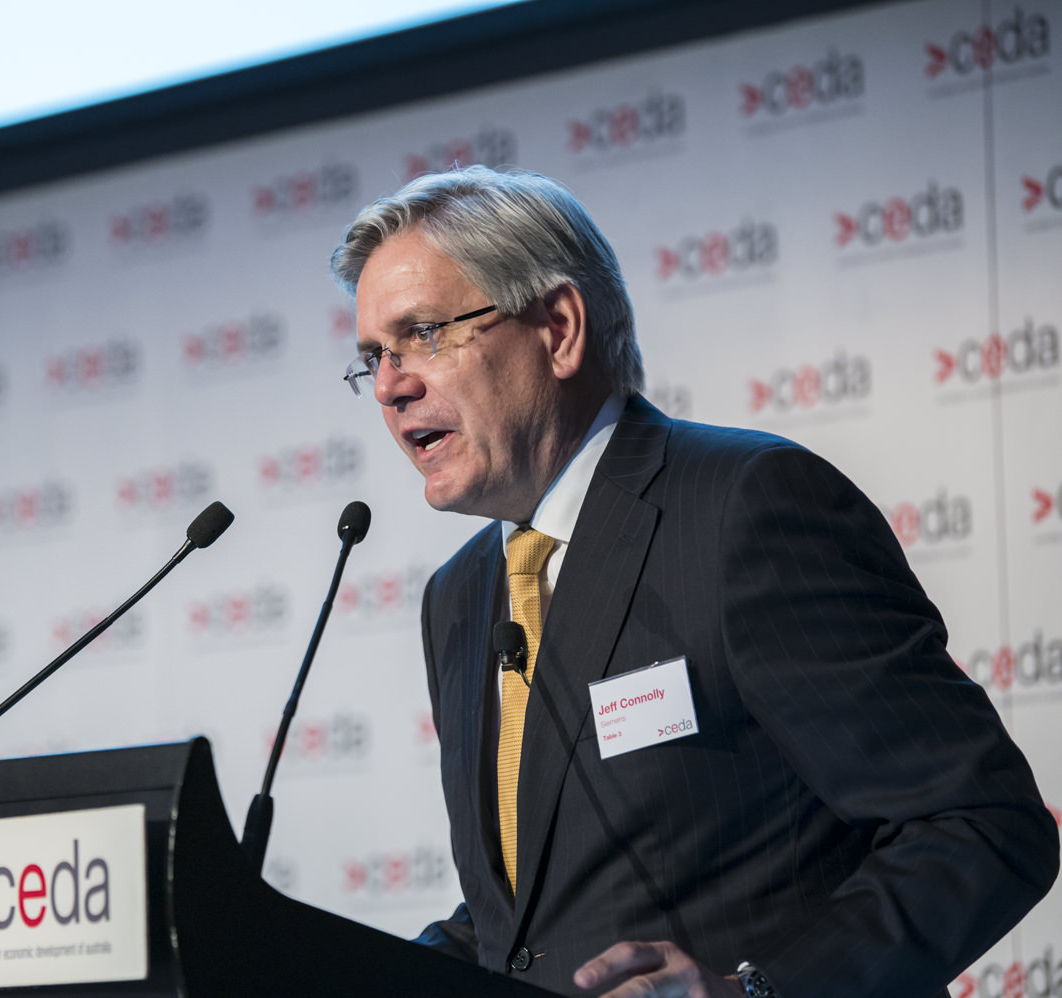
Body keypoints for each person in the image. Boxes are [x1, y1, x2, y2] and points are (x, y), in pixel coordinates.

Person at [329, 165, 1058, 997]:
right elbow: (531, 921)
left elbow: (981, 823)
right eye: (374, 356)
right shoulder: (460, 596)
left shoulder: (744, 508)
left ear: (559, 329)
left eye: (424, 333)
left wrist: (757, 993)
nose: (389, 386)